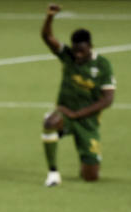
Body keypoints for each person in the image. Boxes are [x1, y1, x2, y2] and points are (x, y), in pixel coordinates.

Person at [40, 3, 116, 187]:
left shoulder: (103, 65)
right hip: (65, 114)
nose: (78, 55)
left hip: (88, 122)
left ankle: (86, 162)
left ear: (90, 46)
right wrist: (50, 16)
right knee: (50, 122)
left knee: (90, 176)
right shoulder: (68, 55)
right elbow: (47, 36)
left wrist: (78, 115)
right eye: (75, 50)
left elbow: (107, 100)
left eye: (82, 50)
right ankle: (53, 173)